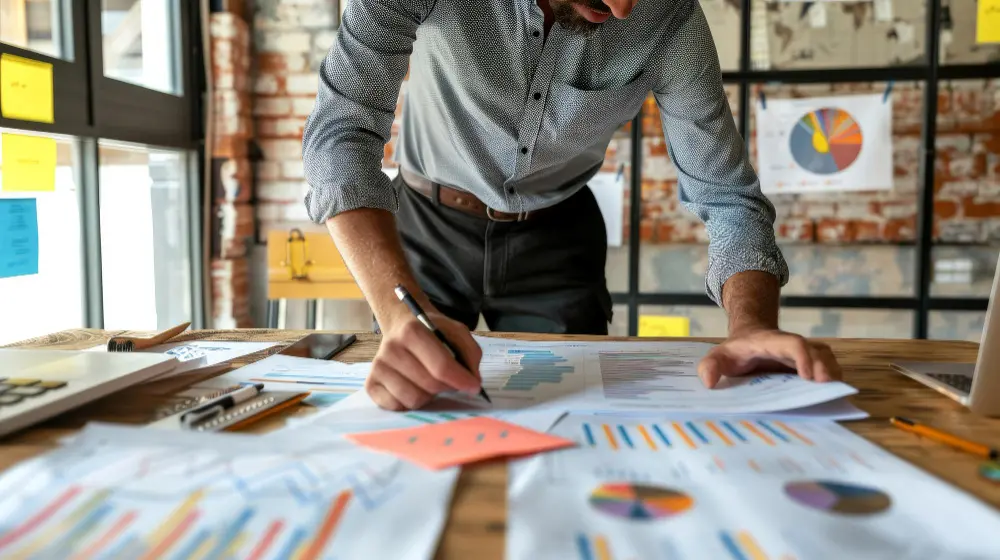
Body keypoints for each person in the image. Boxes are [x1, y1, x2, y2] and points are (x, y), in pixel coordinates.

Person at [302, 0, 842, 411]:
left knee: (574, 412)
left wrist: (750, 326)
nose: (625, 8)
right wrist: (398, 312)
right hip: (424, 224)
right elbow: (341, 131)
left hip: (558, 237)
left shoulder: (668, 17)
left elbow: (727, 194)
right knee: (416, 396)